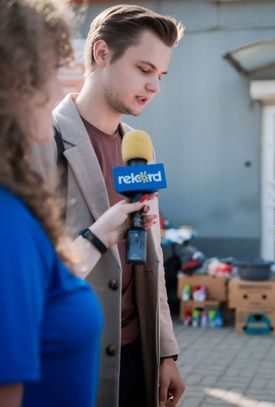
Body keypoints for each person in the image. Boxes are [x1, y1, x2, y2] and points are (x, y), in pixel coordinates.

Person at [0, 1, 156, 406]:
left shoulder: (138, 146)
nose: (57, 92)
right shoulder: (9, 218)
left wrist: (102, 233)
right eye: (48, 73)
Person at [33, 4, 186, 407]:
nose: (154, 86)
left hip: (139, 357)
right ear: (101, 53)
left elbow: (152, 258)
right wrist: (99, 234)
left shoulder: (140, 148)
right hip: (71, 359)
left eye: (161, 75)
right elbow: (29, 277)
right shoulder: (41, 142)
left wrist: (166, 352)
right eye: (144, 69)